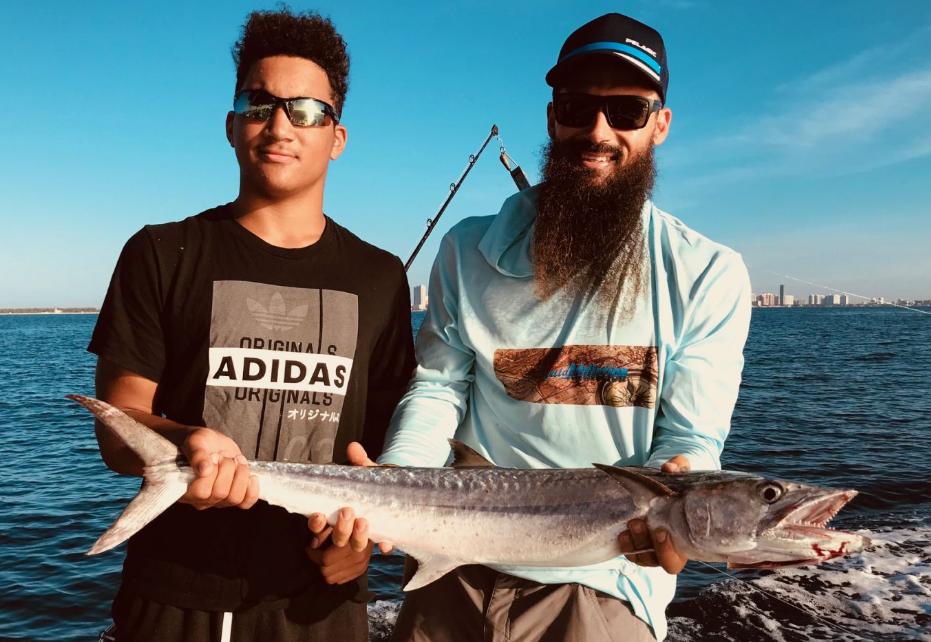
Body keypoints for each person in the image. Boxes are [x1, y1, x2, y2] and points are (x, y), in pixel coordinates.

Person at [347, 11, 752, 642]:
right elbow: (438, 390)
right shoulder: (467, 249)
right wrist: (396, 485)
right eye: (577, 106)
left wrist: (681, 507)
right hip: (454, 562)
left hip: (607, 581)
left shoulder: (707, 273)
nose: (597, 130)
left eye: (627, 112)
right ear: (550, 116)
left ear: (661, 126)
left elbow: (691, 439)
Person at [88, 8, 414, 641]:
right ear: (233, 126)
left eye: (308, 110)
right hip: (173, 595)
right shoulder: (161, 252)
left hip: (324, 602)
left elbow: (383, 452)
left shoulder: (381, 276)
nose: (281, 125)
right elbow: (118, 428)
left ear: (336, 137)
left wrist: (363, 545)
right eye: (259, 104)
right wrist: (187, 442)